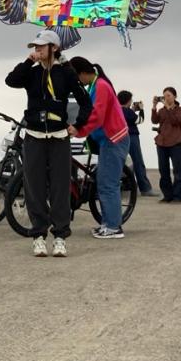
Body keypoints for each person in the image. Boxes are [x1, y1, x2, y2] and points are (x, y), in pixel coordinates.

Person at [6, 30, 92, 258]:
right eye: (35, 47)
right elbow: (11, 80)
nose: (37, 50)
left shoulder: (66, 73)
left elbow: (85, 102)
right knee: (33, 186)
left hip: (59, 136)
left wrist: (78, 125)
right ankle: (38, 236)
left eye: (42, 47)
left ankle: (61, 237)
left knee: (60, 186)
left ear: (54, 48)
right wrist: (28, 61)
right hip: (34, 134)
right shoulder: (31, 73)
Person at [68, 57, 129, 238]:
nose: (78, 82)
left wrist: (79, 130)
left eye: (77, 78)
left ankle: (113, 227)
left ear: (82, 73)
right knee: (103, 182)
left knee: (108, 184)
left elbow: (97, 116)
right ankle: (107, 223)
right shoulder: (96, 84)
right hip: (108, 140)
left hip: (114, 139)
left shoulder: (101, 86)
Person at [152, 87, 181, 203]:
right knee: (163, 170)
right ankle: (168, 195)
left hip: (175, 142)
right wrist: (154, 106)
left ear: (175, 97)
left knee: (177, 170)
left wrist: (168, 108)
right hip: (161, 142)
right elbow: (154, 120)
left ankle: (178, 196)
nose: (166, 98)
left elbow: (175, 121)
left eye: (169, 96)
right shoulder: (162, 110)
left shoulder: (180, 109)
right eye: (164, 96)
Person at [119, 91, 155, 198]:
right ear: (128, 100)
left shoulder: (117, 110)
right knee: (138, 161)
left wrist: (132, 110)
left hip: (119, 137)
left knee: (120, 162)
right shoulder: (128, 112)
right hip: (131, 137)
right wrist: (142, 109)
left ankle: (123, 185)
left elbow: (127, 116)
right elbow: (140, 120)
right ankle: (145, 188)